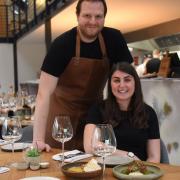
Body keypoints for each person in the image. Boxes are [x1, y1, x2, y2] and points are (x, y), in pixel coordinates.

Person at [33, 0, 133, 152]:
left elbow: (127, 83)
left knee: (93, 166)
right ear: (77, 16)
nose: (93, 22)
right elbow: (43, 94)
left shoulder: (114, 39)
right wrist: (38, 140)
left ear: (104, 17)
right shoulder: (62, 44)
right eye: (87, 15)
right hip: (61, 118)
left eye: (98, 16)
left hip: (94, 117)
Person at [84, 62, 160, 163]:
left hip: (136, 172)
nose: (122, 85)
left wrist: (143, 172)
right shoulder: (98, 109)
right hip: (105, 170)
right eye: (116, 80)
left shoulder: (149, 113)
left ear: (135, 83)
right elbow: (89, 146)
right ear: (110, 84)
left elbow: (154, 157)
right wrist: (128, 155)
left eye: (127, 80)